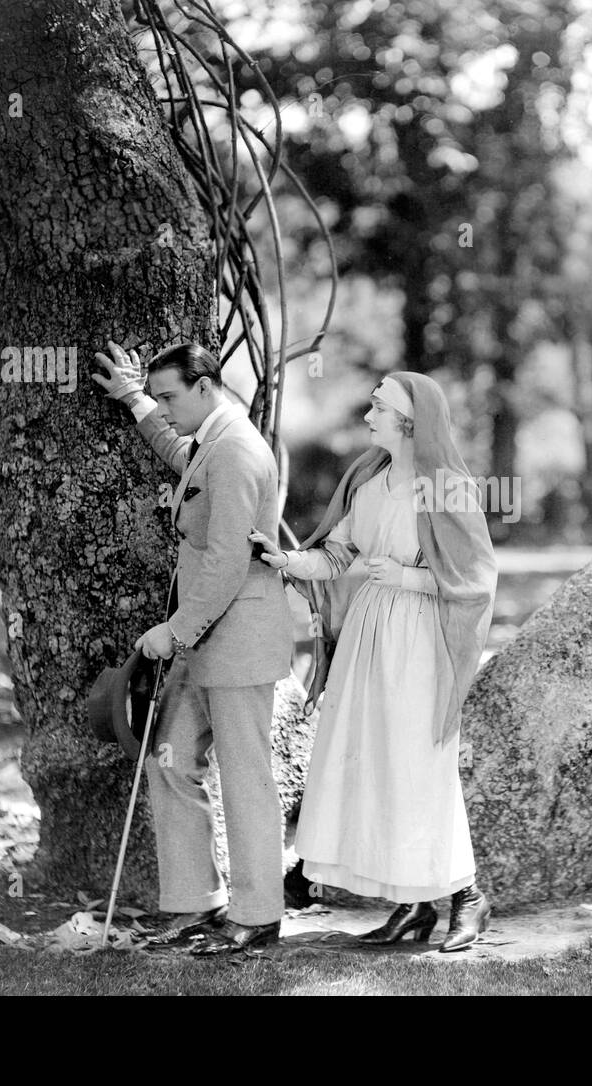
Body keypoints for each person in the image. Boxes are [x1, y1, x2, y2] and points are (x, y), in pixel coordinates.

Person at [249, 372, 497, 952]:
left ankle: (468, 897)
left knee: (420, 765)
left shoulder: (448, 488)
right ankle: (412, 905)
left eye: (379, 408)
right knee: (379, 764)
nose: (369, 416)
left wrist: (410, 577)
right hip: (370, 634)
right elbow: (337, 555)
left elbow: (477, 578)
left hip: (421, 639)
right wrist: (286, 560)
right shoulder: (367, 477)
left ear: (411, 421)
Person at [92, 340, 293, 954]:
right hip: (205, 641)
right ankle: (193, 903)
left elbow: (229, 563)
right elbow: (185, 457)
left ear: (206, 389)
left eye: (169, 396)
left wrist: (173, 633)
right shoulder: (215, 439)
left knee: (246, 779)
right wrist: (133, 400)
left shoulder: (236, 450)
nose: (164, 406)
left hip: (237, 642)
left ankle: (258, 916)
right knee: (171, 759)